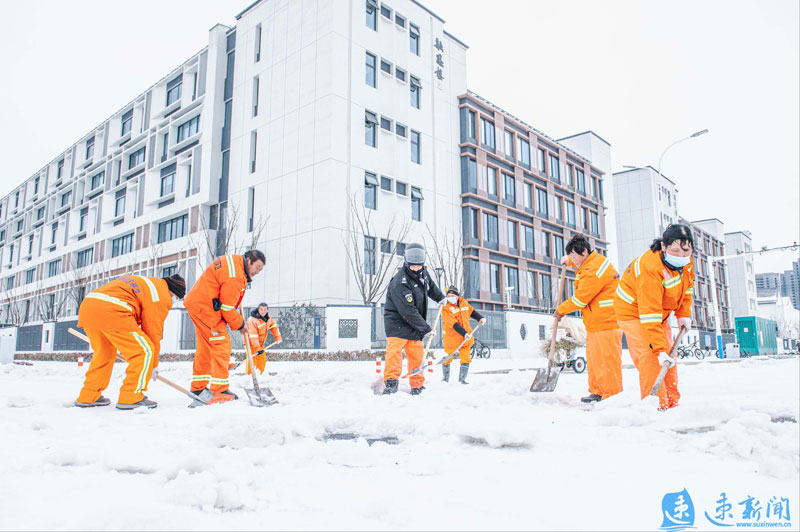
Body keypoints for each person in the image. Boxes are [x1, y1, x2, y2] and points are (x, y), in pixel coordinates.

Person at [75, 274, 186, 410]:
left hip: (89, 307)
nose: (173, 300)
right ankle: (131, 396)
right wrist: (153, 364)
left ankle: (88, 395)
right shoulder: (161, 295)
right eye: (175, 297)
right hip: (113, 309)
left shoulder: (149, 284)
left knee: (104, 354)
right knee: (144, 351)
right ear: (173, 291)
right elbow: (153, 330)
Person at [614, 224, 695, 411]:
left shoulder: (686, 262)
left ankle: (672, 404)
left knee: (670, 356)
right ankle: (656, 407)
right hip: (633, 312)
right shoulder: (649, 268)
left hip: (659, 314)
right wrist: (658, 349)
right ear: (664, 246)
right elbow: (649, 314)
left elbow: (687, 289)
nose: (682, 256)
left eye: (686, 251)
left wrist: (683, 314)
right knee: (651, 357)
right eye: (676, 251)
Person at [184, 250, 266, 405]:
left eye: (260, 270)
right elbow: (227, 308)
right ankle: (219, 390)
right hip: (207, 308)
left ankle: (198, 388)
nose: (257, 272)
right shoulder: (236, 276)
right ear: (249, 260)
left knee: (205, 349)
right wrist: (240, 325)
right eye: (257, 267)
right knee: (221, 345)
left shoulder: (234, 263)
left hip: (199, 304)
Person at [553, 235, 622, 403]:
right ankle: (597, 392)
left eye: (574, 256)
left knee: (608, 362)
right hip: (596, 323)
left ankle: (611, 396)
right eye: (571, 256)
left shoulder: (593, 269)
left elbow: (580, 299)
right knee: (595, 361)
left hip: (607, 322)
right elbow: (579, 263)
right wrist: (569, 260)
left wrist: (561, 310)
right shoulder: (590, 262)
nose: (573, 260)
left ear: (584, 251)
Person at [382, 243, 445, 395]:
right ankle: (391, 383)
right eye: (413, 266)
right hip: (397, 324)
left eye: (419, 266)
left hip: (414, 324)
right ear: (406, 262)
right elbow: (407, 311)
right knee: (394, 354)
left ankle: (417, 385)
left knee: (417, 355)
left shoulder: (423, 273)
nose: (416, 269)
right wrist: (426, 328)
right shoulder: (400, 282)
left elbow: (430, 287)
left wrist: (440, 298)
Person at [441, 286, 485, 384]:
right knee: (447, 358)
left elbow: (471, 311)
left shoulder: (463, 302)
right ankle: (445, 379)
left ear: (457, 296)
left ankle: (462, 380)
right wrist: (464, 333)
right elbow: (452, 323)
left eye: (452, 295)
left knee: (466, 358)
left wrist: (480, 318)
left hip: (466, 337)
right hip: (451, 337)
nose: (450, 297)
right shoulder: (445, 307)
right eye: (448, 296)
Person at [246, 303, 282, 375]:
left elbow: (274, 327)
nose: (263, 311)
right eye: (261, 309)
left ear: (267, 310)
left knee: (262, 361)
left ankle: (260, 375)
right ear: (258, 309)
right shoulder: (252, 320)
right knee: (252, 362)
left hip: (260, 343)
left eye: (265, 310)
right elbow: (253, 336)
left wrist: (277, 337)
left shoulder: (268, 318)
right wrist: (257, 349)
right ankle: (250, 376)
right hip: (250, 343)